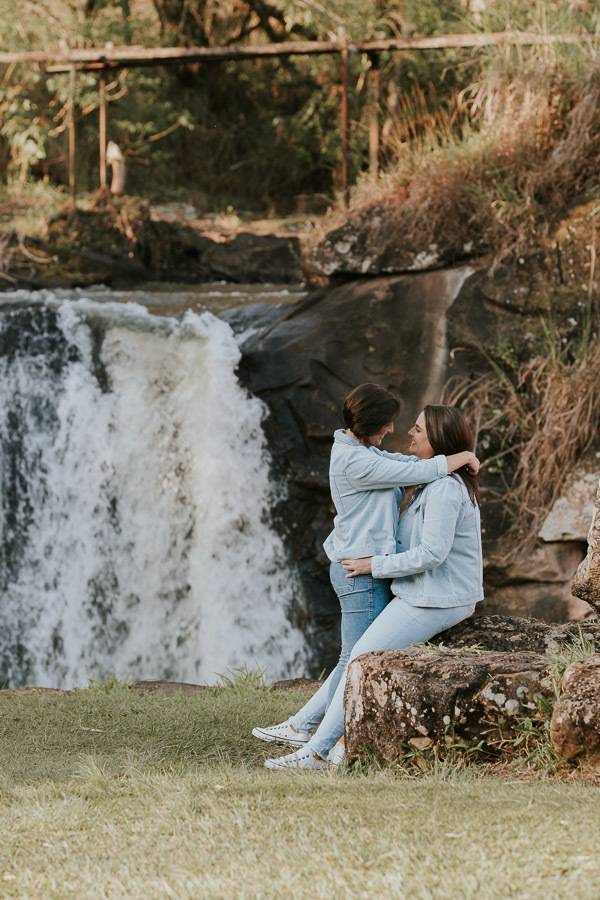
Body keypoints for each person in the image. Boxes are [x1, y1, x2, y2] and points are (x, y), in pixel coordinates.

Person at [252, 387, 480, 760]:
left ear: (437, 437)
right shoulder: (360, 461)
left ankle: (316, 742)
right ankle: (316, 740)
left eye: (417, 429)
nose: (400, 430)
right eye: (391, 422)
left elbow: (429, 542)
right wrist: (465, 456)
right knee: (355, 660)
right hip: (368, 573)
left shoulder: (417, 477)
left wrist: (375, 565)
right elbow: (416, 469)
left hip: (409, 586)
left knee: (355, 660)